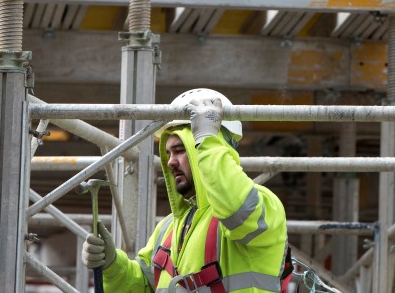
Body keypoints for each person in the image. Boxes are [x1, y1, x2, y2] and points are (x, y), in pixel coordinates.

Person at [81, 88, 290, 292]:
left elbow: (235, 206)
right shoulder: (168, 228)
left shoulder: (262, 207)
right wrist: (112, 266)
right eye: (168, 153)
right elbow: (145, 284)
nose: (171, 162)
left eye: (181, 150)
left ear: (210, 146)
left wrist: (207, 140)